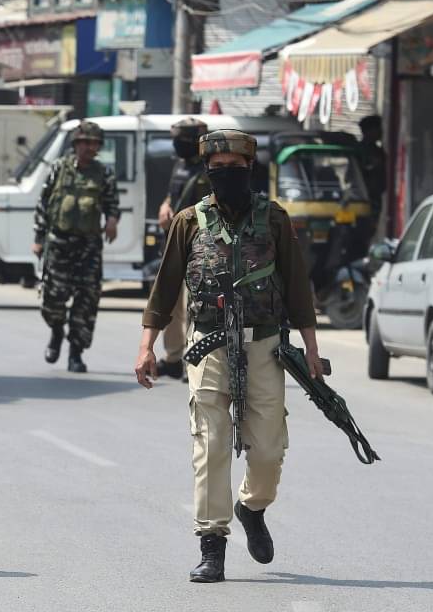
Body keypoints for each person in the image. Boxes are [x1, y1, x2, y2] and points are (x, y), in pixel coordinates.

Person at [133, 130, 323, 584]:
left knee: (270, 448)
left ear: (250, 171)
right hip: (209, 345)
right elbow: (165, 287)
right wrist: (147, 345)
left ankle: (251, 507)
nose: (227, 177)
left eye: (235, 170)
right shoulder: (188, 221)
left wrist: (312, 348)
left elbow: (298, 287)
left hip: (264, 345)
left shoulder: (274, 220)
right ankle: (212, 545)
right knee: (211, 443)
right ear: (208, 174)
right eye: (218, 171)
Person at [32, 120, 120, 374]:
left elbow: (112, 204)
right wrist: (38, 238)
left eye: (95, 144)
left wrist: (112, 220)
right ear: (76, 144)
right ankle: (57, 331)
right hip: (59, 244)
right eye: (87, 143)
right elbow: (43, 204)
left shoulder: (104, 174)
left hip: (89, 247)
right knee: (53, 299)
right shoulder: (59, 169)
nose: (91, 148)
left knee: (86, 301)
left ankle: (76, 353)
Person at [154, 118, 211, 381]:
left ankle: (192, 359)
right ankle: (174, 357)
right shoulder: (180, 165)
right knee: (171, 304)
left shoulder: (210, 169)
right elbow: (170, 194)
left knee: (194, 305)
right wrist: (165, 206)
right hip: (173, 245)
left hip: (199, 246)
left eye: (180, 140)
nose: (176, 145)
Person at [357, 115, 387, 221]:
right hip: (364, 195)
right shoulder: (360, 150)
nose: (380, 132)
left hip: (375, 194)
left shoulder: (378, 150)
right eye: (377, 129)